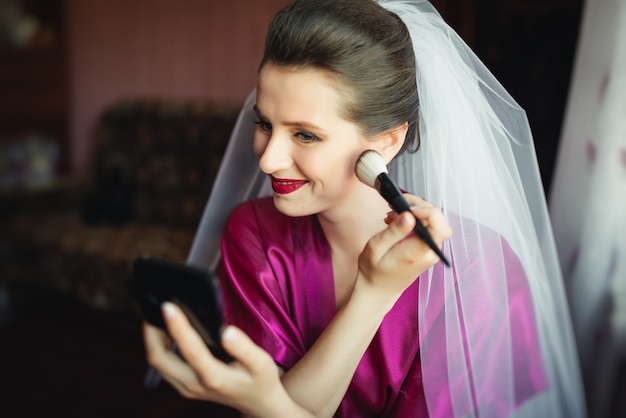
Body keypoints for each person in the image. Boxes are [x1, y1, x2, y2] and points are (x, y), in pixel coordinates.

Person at [143, 0, 586, 417]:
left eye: (305, 135)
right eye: (265, 124)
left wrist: (270, 405)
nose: (267, 158)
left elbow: (272, 405)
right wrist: (371, 294)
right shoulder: (253, 233)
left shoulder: (479, 270)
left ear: (385, 142)